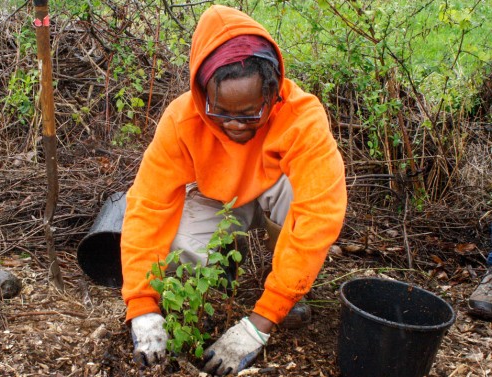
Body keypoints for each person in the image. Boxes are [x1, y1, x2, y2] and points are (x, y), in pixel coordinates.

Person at [120, 5, 347, 376]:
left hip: (275, 196)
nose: (235, 125)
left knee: (295, 194)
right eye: (221, 111)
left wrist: (261, 322)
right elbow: (149, 205)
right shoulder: (182, 120)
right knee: (180, 253)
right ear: (202, 92)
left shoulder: (302, 117)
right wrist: (142, 304)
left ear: (272, 94)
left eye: (250, 113)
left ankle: (287, 292)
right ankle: (225, 262)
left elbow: (320, 212)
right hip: (218, 200)